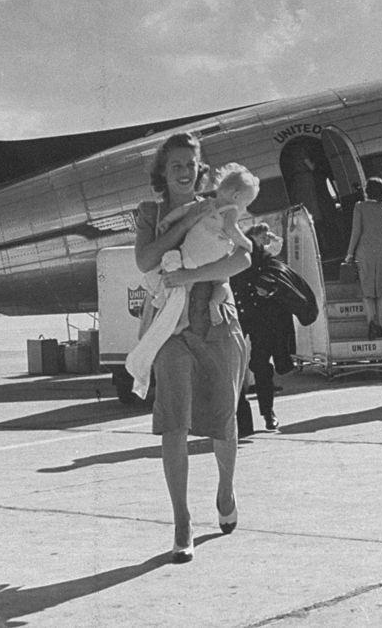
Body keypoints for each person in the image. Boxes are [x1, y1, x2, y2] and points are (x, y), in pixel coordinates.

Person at [133, 132, 251, 564]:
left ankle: (225, 488)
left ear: (200, 169)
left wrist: (198, 279)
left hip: (216, 320)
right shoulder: (149, 212)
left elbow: (242, 259)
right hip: (170, 329)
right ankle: (181, 521)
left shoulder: (221, 206)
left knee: (224, 417)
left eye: (191, 164)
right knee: (173, 423)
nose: (184, 170)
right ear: (163, 172)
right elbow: (146, 261)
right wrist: (188, 219)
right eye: (176, 164)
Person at [125, 164, 258, 399]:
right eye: (246, 203)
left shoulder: (205, 204)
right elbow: (233, 232)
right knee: (212, 288)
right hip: (201, 263)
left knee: (181, 295)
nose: (245, 208)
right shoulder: (232, 211)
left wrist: (167, 221)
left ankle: (177, 311)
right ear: (237, 197)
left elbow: (184, 211)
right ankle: (206, 307)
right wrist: (248, 243)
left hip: (187, 257)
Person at [230, 223, 294, 431]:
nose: (268, 239)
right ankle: (243, 418)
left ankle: (268, 412)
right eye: (264, 235)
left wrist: (270, 291)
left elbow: (278, 256)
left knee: (261, 365)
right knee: (236, 366)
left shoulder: (266, 258)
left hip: (262, 317)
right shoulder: (239, 253)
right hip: (240, 314)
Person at [344, 177, 382, 339]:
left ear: (368, 191)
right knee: (380, 293)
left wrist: (349, 254)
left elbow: (356, 231)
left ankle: (371, 324)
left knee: (367, 293)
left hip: (364, 254)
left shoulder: (360, 207)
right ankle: (379, 325)